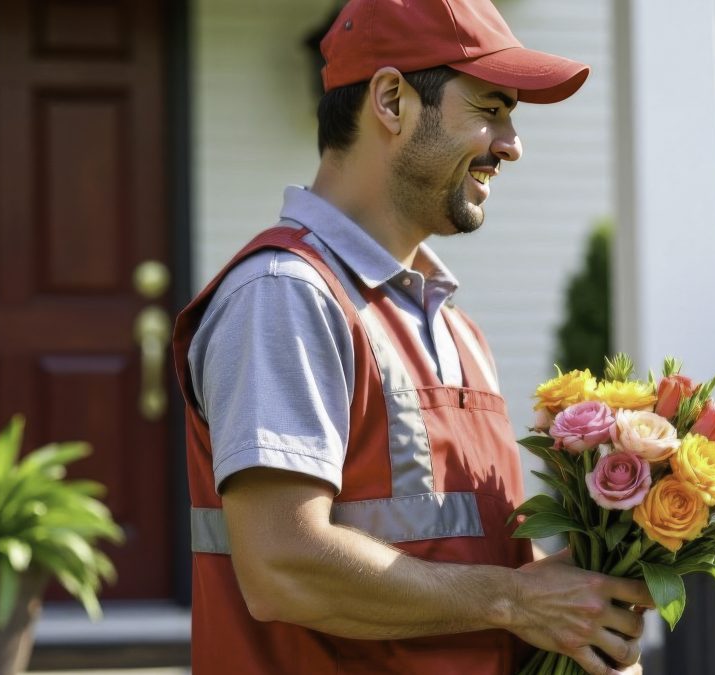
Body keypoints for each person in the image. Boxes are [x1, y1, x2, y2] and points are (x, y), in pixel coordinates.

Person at [171, 1, 653, 673]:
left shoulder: (457, 328)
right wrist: (516, 598)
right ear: (392, 100)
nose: (512, 143)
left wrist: (576, 598)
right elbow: (284, 565)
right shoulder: (286, 295)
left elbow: (454, 565)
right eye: (491, 109)